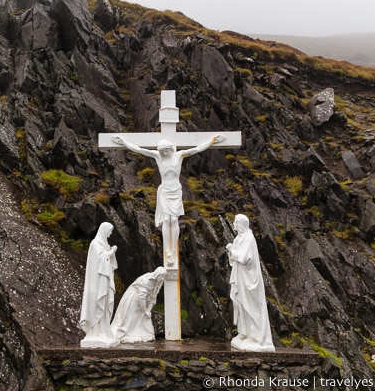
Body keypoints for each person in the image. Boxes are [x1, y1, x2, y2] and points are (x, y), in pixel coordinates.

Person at [111, 135, 222, 267]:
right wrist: (123, 142)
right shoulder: (158, 156)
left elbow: (197, 149)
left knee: (174, 220)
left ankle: (173, 248)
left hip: (175, 191)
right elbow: (138, 149)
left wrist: (212, 141)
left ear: (170, 149)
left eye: (166, 151)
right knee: (166, 220)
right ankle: (167, 249)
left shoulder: (179, 155)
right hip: (164, 192)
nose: (164, 153)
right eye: (162, 151)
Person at [226, 214, 275, 352]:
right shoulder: (239, 238)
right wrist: (232, 251)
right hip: (241, 277)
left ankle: (256, 337)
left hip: (250, 280)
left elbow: (243, 258)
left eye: (235, 223)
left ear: (242, 224)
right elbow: (234, 260)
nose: (234, 225)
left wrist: (231, 250)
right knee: (241, 305)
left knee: (251, 307)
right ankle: (244, 333)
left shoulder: (248, 239)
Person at [79, 222, 120, 347]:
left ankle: (104, 331)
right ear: (104, 231)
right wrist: (112, 251)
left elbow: (111, 264)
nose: (111, 234)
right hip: (97, 282)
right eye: (110, 231)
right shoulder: (95, 244)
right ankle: (95, 331)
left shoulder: (104, 244)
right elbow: (101, 260)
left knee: (105, 304)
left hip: (105, 280)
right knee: (98, 304)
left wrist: (110, 251)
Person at [111, 267, 168, 343]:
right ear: (157, 275)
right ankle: (125, 333)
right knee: (130, 318)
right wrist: (145, 311)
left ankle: (143, 333)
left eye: (164, 277)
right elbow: (141, 298)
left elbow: (153, 297)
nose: (162, 278)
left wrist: (148, 311)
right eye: (162, 276)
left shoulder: (159, 282)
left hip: (144, 301)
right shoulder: (146, 281)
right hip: (133, 298)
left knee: (144, 319)